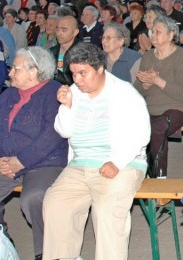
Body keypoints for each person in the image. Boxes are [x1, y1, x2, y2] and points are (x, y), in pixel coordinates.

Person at [42, 43, 151, 260]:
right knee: (55, 204)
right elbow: (64, 131)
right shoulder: (74, 92)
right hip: (80, 164)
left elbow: (141, 134)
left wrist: (117, 162)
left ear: (100, 68)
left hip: (123, 163)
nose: (78, 80)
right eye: (73, 74)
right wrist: (66, 106)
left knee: (107, 212)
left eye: (83, 73)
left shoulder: (124, 93)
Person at [0, 47, 67, 260]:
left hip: (44, 162)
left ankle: (47, 252)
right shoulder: (9, 93)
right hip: (4, 161)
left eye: (15, 68)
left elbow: (53, 133)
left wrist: (21, 161)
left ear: (34, 71)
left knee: (34, 197)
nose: (10, 72)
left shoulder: (53, 92)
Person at [134, 15, 183, 177]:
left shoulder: (182, 57)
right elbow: (137, 91)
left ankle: (158, 177)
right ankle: (136, 171)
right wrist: (146, 85)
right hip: (152, 108)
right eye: (152, 32)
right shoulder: (148, 57)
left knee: (158, 125)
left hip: (179, 107)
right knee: (134, 122)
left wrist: (158, 80)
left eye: (158, 32)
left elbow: (182, 94)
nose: (153, 35)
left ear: (170, 35)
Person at [49, 14, 81, 86]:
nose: (59, 33)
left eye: (64, 30)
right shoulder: (52, 51)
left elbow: (77, 81)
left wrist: (55, 72)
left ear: (75, 32)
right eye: (57, 29)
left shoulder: (82, 52)